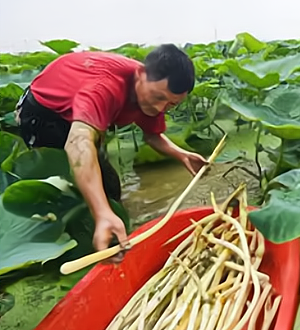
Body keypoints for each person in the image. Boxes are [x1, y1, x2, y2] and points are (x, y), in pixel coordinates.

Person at [14, 44, 208, 262]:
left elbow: (152, 135)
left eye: (171, 104)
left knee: (109, 185)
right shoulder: (104, 87)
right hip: (44, 114)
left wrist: (182, 155)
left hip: (82, 118)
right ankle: (70, 246)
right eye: (158, 98)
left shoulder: (152, 94)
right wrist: (101, 212)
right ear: (140, 75)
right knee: (60, 190)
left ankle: (112, 234)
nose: (160, 108)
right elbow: (78, 143)